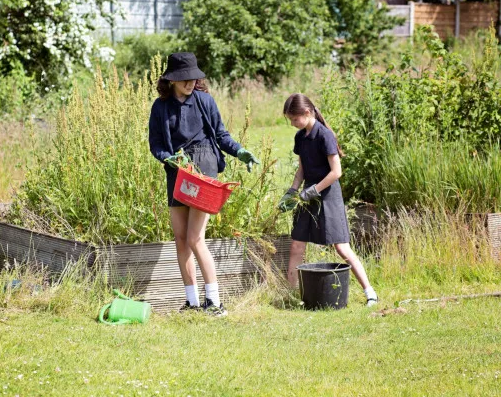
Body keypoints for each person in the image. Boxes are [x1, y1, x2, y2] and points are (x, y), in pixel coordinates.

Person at [148, 52, 260, 316]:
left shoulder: (205, 101)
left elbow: (221, 135)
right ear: (171, 80)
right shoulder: (160, 107)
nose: (190, 83)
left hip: (204, 165)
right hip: (178, 170)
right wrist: (169, 158)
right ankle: (193, 303)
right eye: (184, 79)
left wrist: (239, 151)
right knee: (180, 239)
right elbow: (156, 146)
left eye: (193, 78)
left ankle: (215, 303)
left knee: (195, 237)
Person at [278, 93, 378, 307]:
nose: (293, 123)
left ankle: (370, 293)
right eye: (291, 120)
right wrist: (293, 190)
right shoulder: (300, 137)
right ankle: (290, 295)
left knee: (341, 248)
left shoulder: (325, 136)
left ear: (307, 112)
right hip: (307, 196)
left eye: (295, 119)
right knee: (297, 245)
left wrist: (314, 190)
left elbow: (336, 172)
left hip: (328, 196)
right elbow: (302, 168)